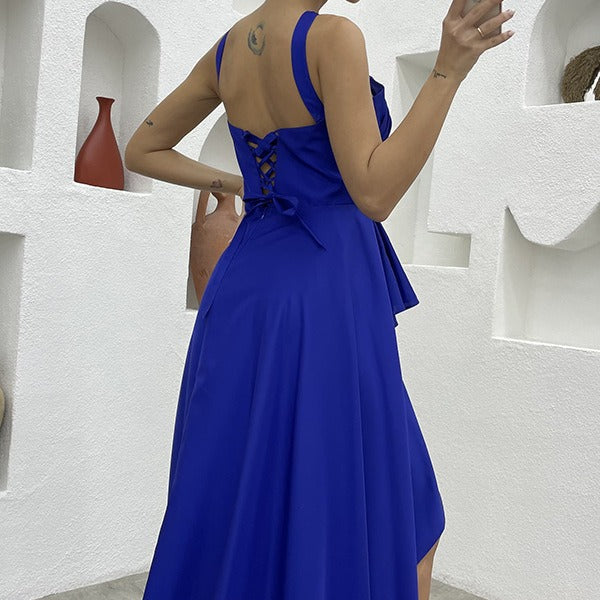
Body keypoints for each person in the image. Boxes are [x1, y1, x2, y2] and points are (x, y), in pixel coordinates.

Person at [125, 0, 515, 598]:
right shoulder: (333, 38)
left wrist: (245, 185)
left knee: (250, 489)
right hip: (326, 295)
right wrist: (448, 71)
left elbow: (142, 149)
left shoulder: (228, 50)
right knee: (385, 501)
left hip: (245, 291)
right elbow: (374, 193)